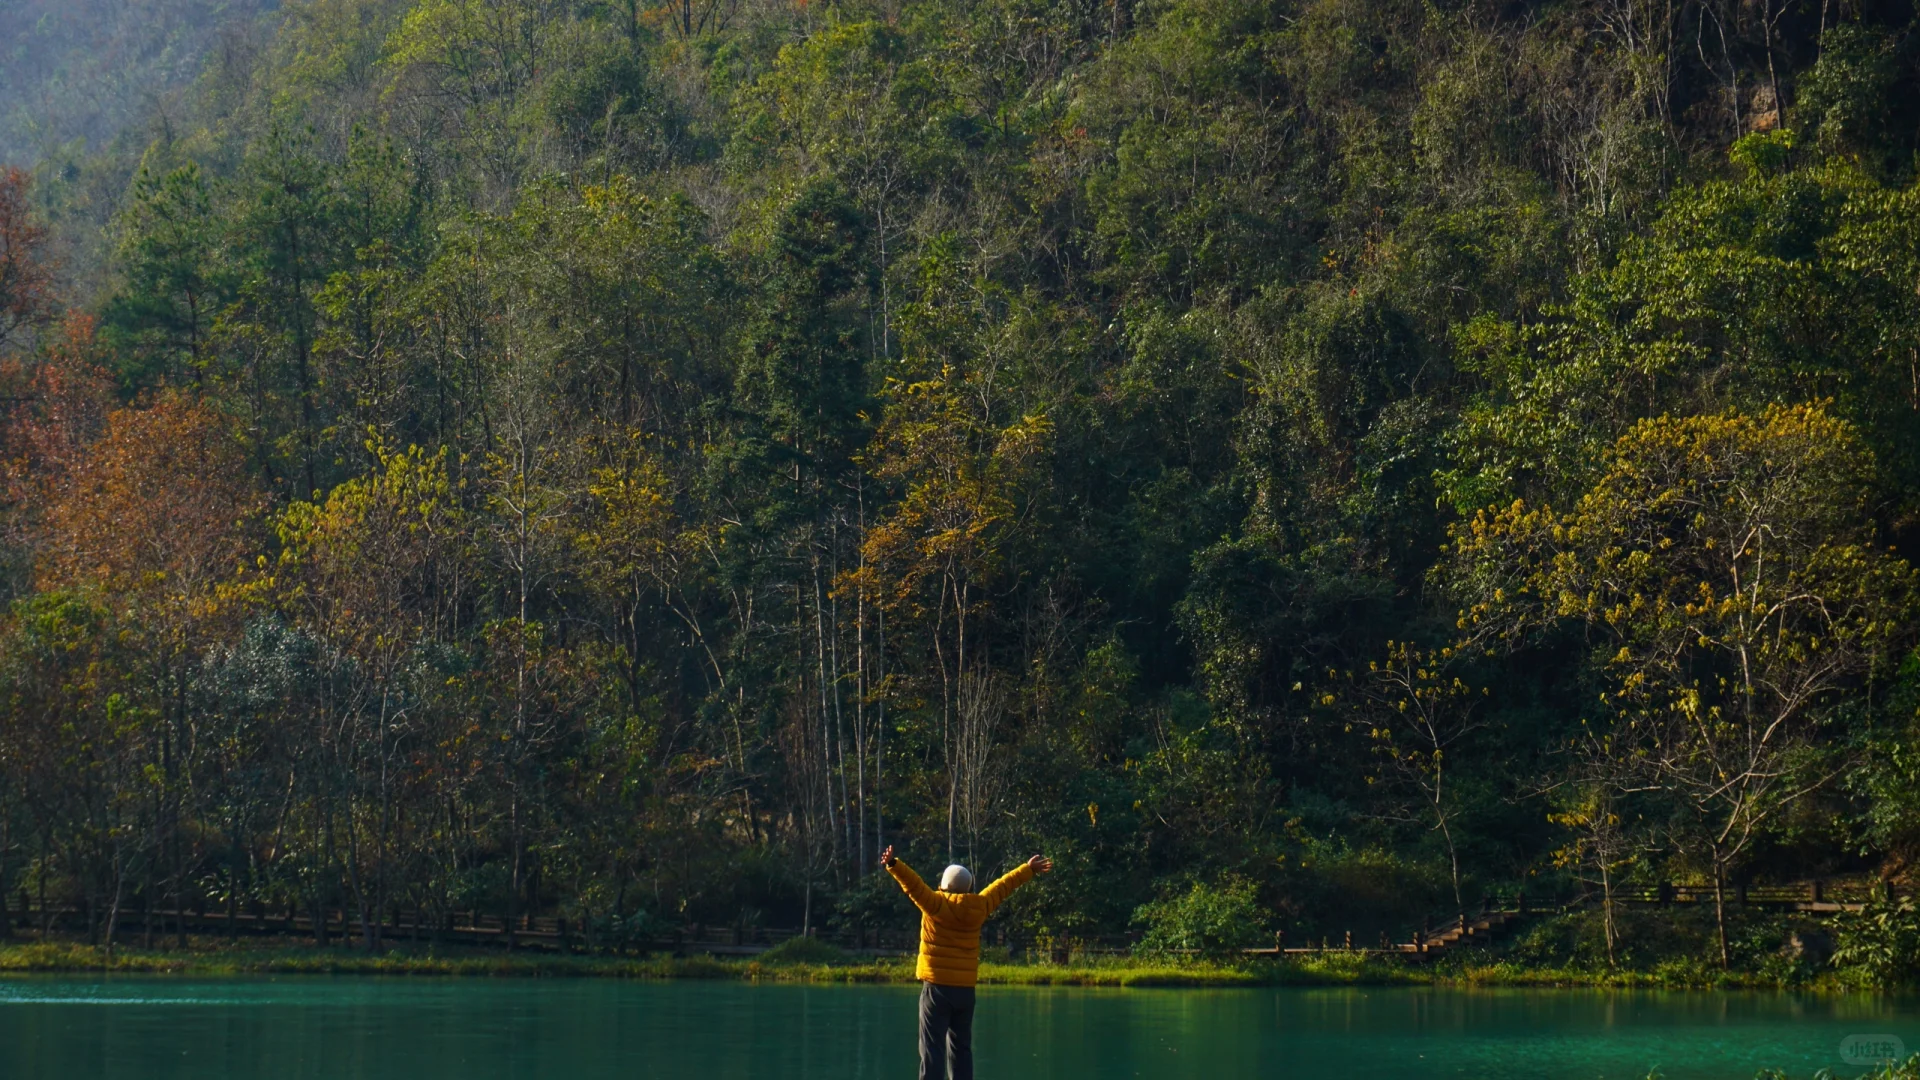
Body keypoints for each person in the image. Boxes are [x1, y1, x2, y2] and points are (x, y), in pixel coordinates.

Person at [881, 844, 1053, 1080]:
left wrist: (894, 864)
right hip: (964, 991)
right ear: (969, 887)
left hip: (936, 989)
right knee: (961, 1049)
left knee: (932, 1049)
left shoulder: (935, 904)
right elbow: (1002, 887)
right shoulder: (979, 906)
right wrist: (1028, 869)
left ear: (943, 885)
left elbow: (914, 885)